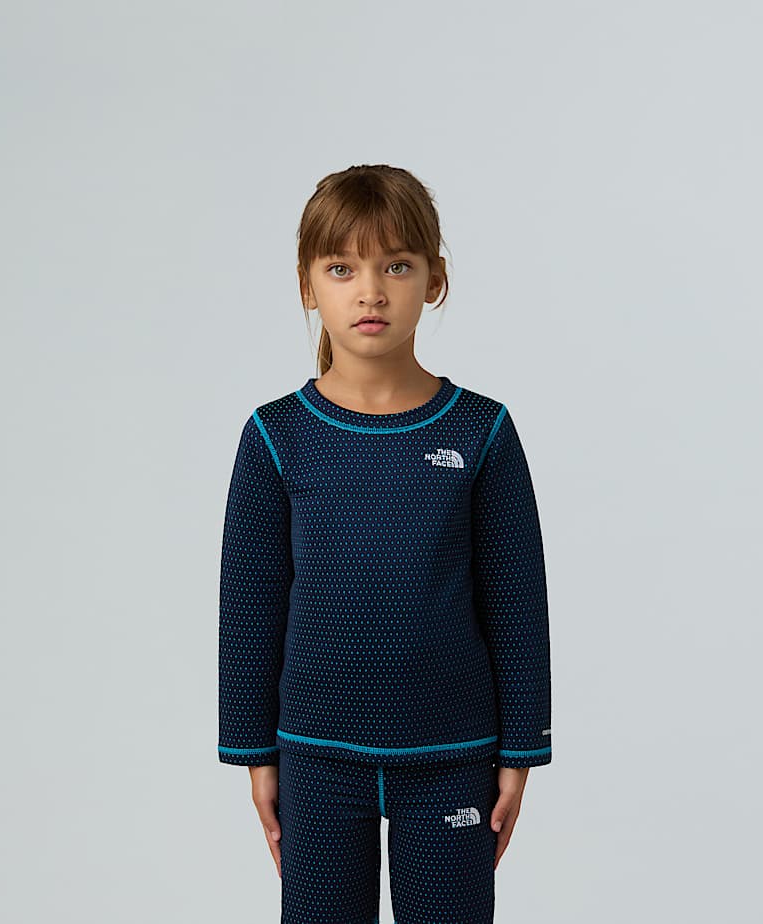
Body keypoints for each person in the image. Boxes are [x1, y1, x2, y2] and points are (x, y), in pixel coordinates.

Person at [217, 164, 552, 924]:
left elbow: (516, 602)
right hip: (316, 756)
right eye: (342, 268)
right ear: (307, 285)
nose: (370, 292)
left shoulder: (481, 431)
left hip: (453, 755)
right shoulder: (276, 436)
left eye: (396, 266)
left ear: (434, 279)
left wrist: (521, 752)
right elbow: (250, 607)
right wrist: (254, 753)